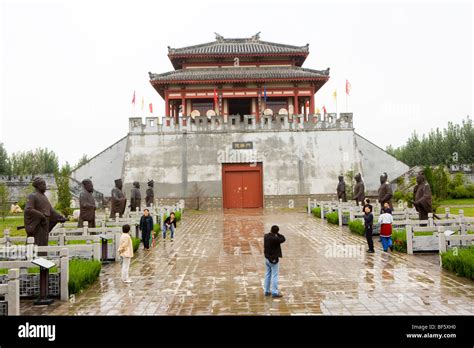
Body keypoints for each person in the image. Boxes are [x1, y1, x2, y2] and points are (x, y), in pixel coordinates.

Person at [264, 225, 286, 298]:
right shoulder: (275, 239)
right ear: (277, 232)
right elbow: (283, 238)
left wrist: (273, 232)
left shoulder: (266, 236)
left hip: (267, 258)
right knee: (275, 276)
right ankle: (274, 292)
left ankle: (266, 291)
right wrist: (277, 233)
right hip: (273, 259)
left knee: (267, 274)